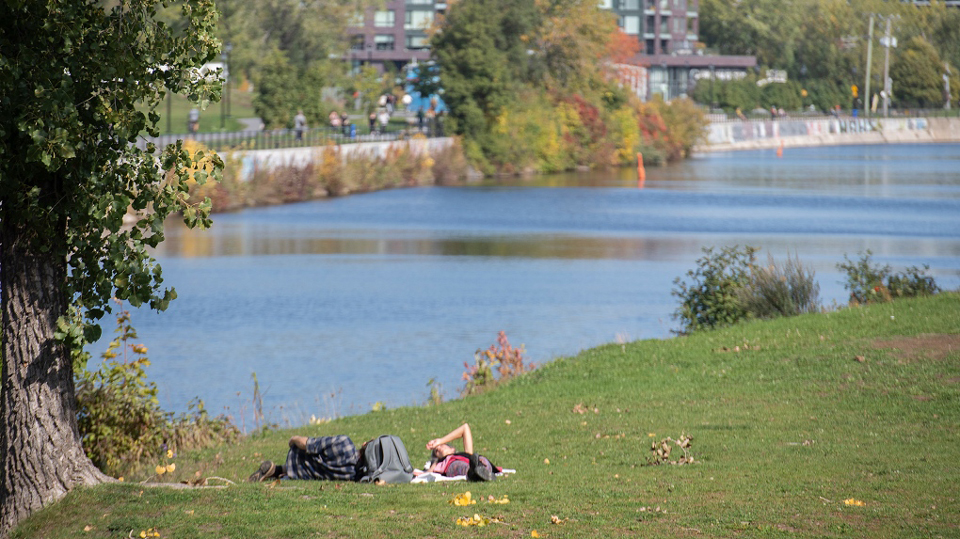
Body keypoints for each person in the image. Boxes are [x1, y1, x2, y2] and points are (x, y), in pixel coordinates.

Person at [248, 434, 358, 482]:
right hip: (299, 477)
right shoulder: (354, 475)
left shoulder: (344, 444)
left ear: (364, 445)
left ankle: (277, 470)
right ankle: (277, 471)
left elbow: (309, 444)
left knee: (315, 453)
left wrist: (294, 439)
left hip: (296, 457)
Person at [417, 423, 498, 481]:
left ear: (452, 449)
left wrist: (440, 441)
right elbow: (427, 473)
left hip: (473, 461)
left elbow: (465, 427)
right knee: (459, 466)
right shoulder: (441, 462)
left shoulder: (467, 454)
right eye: (436, 451)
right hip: (454, 465)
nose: (439, 448)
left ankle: (483, 471)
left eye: (442, 445)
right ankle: (475, 472)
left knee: (481, 459)